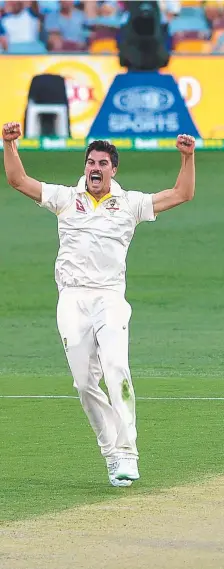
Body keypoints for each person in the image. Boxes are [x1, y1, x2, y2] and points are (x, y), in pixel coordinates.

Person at [2, 122, 196, 488]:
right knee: (83, 383)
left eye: (102, 163)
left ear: (113, 169)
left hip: (109, 298)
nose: (95, 168)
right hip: (72, 298)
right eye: (90, 162)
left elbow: (181, 194)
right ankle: (111, 453)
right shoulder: (64, 198)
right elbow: (18, 181)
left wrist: (187, 157)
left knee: (116, 368)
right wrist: (9, 144)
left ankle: (128, 453)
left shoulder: (130, 203)